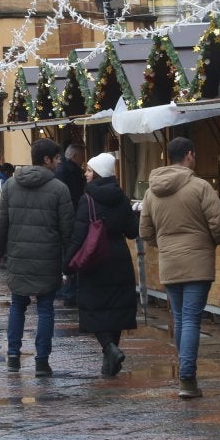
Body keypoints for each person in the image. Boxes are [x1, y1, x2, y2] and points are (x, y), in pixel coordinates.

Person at [138, 136, 220, 398]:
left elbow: (145, 230)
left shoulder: (151, 191)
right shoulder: (200, 187)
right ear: (189, 155)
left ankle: (185, 371)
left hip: (170, 261)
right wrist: (209, 242)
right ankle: (187, 377)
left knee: (179, 318)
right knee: (190, 318)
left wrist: (164, 244)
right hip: (197, 261)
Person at [0, 138, 75, 377]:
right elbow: (67, 229)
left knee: (18, 305)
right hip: (48, 257)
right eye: (57, 158)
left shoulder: (10, 186)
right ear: (47, 160)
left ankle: (14, 357)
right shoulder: (60, 189)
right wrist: (69, 259)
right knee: (46, 307)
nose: (59, 162)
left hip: (18, 256)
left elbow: (1, 224)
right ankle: (41, 361)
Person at [72, 152, 140, 377]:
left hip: (96, 259)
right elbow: (132, 231)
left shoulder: (88, 199)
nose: (86, 174)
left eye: (90, 170)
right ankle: (110, 362)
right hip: (119, 258)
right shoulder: (122, 198)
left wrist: (68, 262)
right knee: (115, 309)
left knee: (93, 308)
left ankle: (109, 348)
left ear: (99, 173)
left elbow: (79, 234)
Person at [54, 142, 87, 305]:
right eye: (81, 157)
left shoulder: (60, 170)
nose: (83, 161)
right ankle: (68, 292)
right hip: (69, 219)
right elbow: (74, 197)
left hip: (62, 220)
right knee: (68, 255)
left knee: (64, 255)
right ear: (74, 156)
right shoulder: (70, 172)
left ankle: (64, 291)